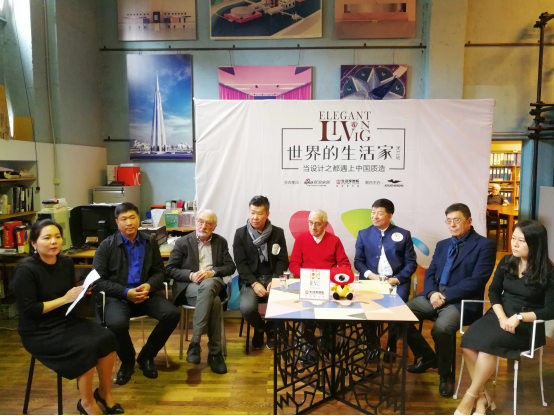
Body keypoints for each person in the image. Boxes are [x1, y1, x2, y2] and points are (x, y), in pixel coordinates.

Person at [12, 220, 123, 416]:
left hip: (66, 319)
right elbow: (30, 310)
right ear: (34, 243)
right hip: (38, 330)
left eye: (57, 237)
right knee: (85, 347)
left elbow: (67, 295)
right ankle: (86, 402)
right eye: (47, 238)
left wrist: (80, 294)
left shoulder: (66, 262)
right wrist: (64, 299)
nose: (53, 241)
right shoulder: (25, 270)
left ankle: (104, 392)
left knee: (107, 337)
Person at [455, 220, 554, 415]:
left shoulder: (548, 272)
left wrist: (519, 317)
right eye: (513, 238)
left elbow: (550, 310)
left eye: (521, 241)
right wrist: (501, 317)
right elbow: (493, 292)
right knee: (468, 342)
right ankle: (482, 398)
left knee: (486, 348)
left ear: (535, 243)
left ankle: (469, 398)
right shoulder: (507, 261)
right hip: (500, 315)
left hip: (526, 325)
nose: (514, 244)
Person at [405, 203, 496, 397]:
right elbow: (430, 272)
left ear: (469, 221)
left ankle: (446, 375)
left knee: (442, 328)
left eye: (456, 220)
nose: (452, 225)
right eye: (448, 221)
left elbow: (478, 280)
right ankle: (428, 357)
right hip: (434, 295)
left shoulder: (484, 245)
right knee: (399, 315)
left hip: (461, 300)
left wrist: (445, 296)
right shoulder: (443, 244)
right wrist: (432, 293)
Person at [92, 202, 180, 386]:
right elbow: (97, 281)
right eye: (123, 219)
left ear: (139, 219)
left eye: (132, 217)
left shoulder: (149, 241)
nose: (129, 222)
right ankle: (127, 361)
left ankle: (147, 356)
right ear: (117, 222)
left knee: (172, 314)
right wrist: (125, 292)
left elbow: (159, 271)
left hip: (145, 294)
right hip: (119, 297)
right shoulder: (106, 246)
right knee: (116, 324)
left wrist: (149, 285)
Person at [166, 209, 236, 374]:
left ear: (214, 227)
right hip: (190, 287)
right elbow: (170, 269)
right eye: (200, 221)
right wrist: (190, 275)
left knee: (209, 284)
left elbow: (230, 267)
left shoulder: (220, 242)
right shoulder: (183, 242)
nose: (203, 226)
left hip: (213, 282)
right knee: (215, 301)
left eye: (208, 223)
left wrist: (212, 272)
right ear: (196, 222)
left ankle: (195, 343)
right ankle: (215, 354)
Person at [354, 198, 417, 360]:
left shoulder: (403, 234)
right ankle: (372, 345)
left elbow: (411, 263)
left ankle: (391, 343)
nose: (374, 216)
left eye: (379, 213)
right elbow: (358, 262)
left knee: (397, 309)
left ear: (390, 215)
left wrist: (397, 279)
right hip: (371, 281)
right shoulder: (363, 234)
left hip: (396, 283)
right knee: (366, 309)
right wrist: (372, 276)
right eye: (373, 212)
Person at [289, 210, 351, 360]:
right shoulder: (301, 239)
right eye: (310, 223)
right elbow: (293, 264)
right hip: (308, 284)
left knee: (329, 311)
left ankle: (327, 338)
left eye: (317, 223)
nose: (313, 227)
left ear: (325, 224)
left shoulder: (334, 240)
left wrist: (330, 275)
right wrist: (308, 275)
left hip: (328, 285)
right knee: (307, 313)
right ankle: (310, 345)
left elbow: (344, 264)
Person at [234, 196, 289, 350]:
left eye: (259, 213)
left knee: (283, 304)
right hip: (251, 279)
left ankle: (271, 328)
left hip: (273, 277)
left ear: (267, 214)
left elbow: (282, 260)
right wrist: (254, 283)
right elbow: (241, 264)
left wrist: (275, 280)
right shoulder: (240, 234)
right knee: (247, 309)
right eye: (252, 213)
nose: (255, 217)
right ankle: (261, 329)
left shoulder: (277, 233)